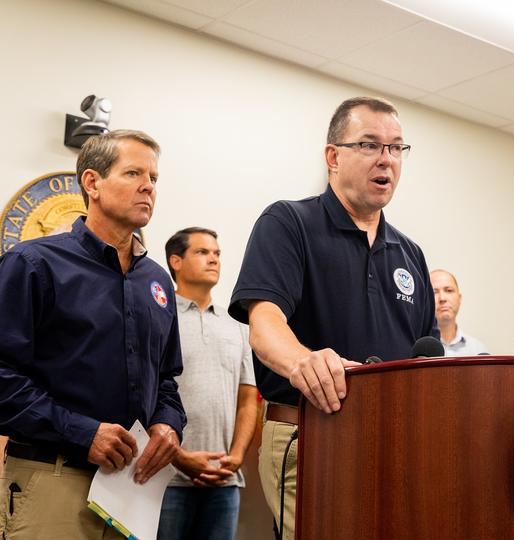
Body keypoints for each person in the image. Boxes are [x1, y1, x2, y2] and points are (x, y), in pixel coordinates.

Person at [228, 96, 436, 539]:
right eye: (369, 145)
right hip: (308, 437)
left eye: (396, 148)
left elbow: (427, 358)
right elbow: (265, 325)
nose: (386, 159)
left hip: (393, 447)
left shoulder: (410, 254)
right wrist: (304, 361)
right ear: (333, 156)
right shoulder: (289, 222)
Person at [0, 130, 186, 539]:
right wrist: (82, 433)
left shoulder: (156, 281)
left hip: (133, 490)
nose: (148, 186)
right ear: (92, 183)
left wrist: (168, 425)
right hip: (53, 477)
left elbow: (166, 380)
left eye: (154, 177)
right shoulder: (33, 264)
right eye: (134, 173)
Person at [158, 227, 257, 540]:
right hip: (165, 477)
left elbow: (248, 398)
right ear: (176, 261)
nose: (213, 259)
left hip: (225, 479)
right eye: (202, 252)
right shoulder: (159, 317)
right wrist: (177, 456)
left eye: (217, 253)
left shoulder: (237, 325)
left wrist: (237, 456)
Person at [430, 269, 488, 355]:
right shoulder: (417, 351)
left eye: (449, 290)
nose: (442, 298)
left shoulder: (478, 350)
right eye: (434, 292)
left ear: (459, 298)